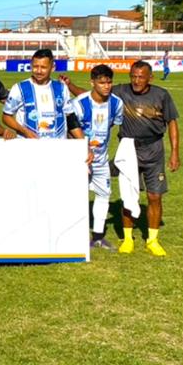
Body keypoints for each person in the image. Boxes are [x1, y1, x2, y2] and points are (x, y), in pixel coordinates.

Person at [111, 61, 180, 256]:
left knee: (154, 196)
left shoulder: (161, 95)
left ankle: (152, 240)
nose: (136, 80)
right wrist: (70, 85)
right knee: (128, 195)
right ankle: (127, 239)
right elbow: (96, 96)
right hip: (129, 149)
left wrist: (175, 152)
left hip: (154, 150)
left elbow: (172, 123)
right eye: (133, 76)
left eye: (141, 77)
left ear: (150, 78)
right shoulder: (121, 91)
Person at [72, 65, 124, 250]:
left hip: (101, 159)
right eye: (102, 82)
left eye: (109, 82)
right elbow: (70, 129)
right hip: (79, 159)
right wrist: (84, 147)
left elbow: (112, 126)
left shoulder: (117, 103)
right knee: (76, 196)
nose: (106, 86)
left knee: (104, 195)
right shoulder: (79, 103)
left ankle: (98, 237)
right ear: (92, 83)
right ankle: (73, 235)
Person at [2, 49, 80, 140]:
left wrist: (83, 144)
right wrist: (25, 131)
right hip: (30, 147)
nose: (38, 71)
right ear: (31, 66)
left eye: (43, 67)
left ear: (52, 67)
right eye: (35, 66)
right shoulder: (19, 88)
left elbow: (70, 117)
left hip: (57, 148)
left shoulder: (62, 88)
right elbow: (6, 116)